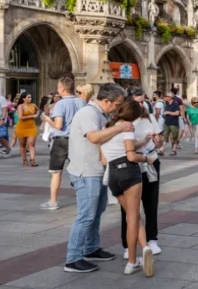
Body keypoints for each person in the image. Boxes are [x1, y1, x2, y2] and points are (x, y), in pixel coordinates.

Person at [63, 84, 132, 274]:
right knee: (86, 215)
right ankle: (73, 258)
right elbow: (93, 137)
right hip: (86, 171)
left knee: (96, 212)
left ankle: (91, 248)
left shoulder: (100, 114)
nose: (118, 108)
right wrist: (119, 128)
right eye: (117, 104)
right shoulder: (88, 113)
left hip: (97, 170)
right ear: (106, 101)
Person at [99, 99, 155, 277]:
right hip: (129, 172)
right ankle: (132, 261)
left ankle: (144, 247)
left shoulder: (108, 128)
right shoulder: (128, 128)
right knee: (133, 216)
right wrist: (146, 159)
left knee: (133, 216)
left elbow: (104, 160)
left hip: (113, 174)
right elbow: (130, 156)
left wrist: (141, 142)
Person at [122, 90, 162, 258]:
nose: (141, 105)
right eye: (138, 102)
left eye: (143, 101)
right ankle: (127, 245)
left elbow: (160, 140)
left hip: (151, 161)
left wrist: (158, 141)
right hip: (131, 163)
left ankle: (152, 238)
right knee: (128, 208)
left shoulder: (149, 117)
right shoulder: (123, 121)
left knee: (151, 202)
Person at [41, 75, 84, 211]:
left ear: (63, 88)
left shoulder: (60, 104)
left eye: (59, 87)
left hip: (61, 141)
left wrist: (48, 120)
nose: (57, 89)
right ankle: (81, 197)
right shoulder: (82, 102)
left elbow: (58, 125)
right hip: (77, 140)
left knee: (56, 172)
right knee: (78, 171)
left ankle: (53, 201)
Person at [15, 92, 39, 166]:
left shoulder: (33, 105)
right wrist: (32, 116)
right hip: (22, 127)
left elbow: (38, 110)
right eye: (28, 97)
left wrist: (37, 115)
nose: (30, 99)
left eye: (30, 97)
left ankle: (32, 160)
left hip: (32, 127)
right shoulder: (20, 106)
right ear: (23, 98)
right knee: (22, 144)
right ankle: (24, 160)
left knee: (31, 143)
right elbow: (20, 117)